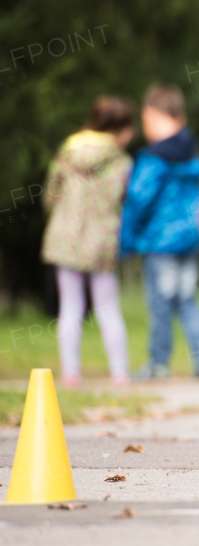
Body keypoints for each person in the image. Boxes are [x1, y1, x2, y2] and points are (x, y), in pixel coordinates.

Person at [120, 83, 199, 379]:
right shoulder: (191, 153)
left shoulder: (153, 157)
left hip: (161, 241)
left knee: (160, 302)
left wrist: (126, 238)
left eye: (148, 121)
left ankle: (158, 363)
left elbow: (138, 199)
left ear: (155, 114)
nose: (146, 128)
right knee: (186, 298)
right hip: (189, 238)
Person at [40, 96, 135, 385]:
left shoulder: (67, 153)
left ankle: (71, 374)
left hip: (65, 239)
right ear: (121, 130)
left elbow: (49, 196)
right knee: (108, 307)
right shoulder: (121, 161)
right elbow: (126, 201)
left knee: (70, 306)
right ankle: (120, 374)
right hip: (101, 242)